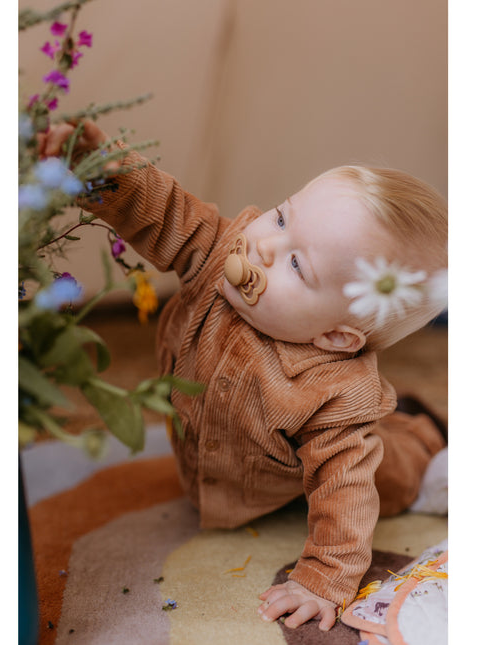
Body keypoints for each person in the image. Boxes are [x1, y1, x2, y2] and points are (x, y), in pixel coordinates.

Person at [38, 121, 448, 631]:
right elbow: (166, 214)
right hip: (234, 464)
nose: (263, 248)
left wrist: (322, 578)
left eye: (297, 264)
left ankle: (429, 438)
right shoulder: (218, 251)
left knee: (385, 476)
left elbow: (345, 492)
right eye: (280, 218)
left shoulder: (336, 393)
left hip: (324, 469)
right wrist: (105, 172)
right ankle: (405, 421)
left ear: (336, 338)